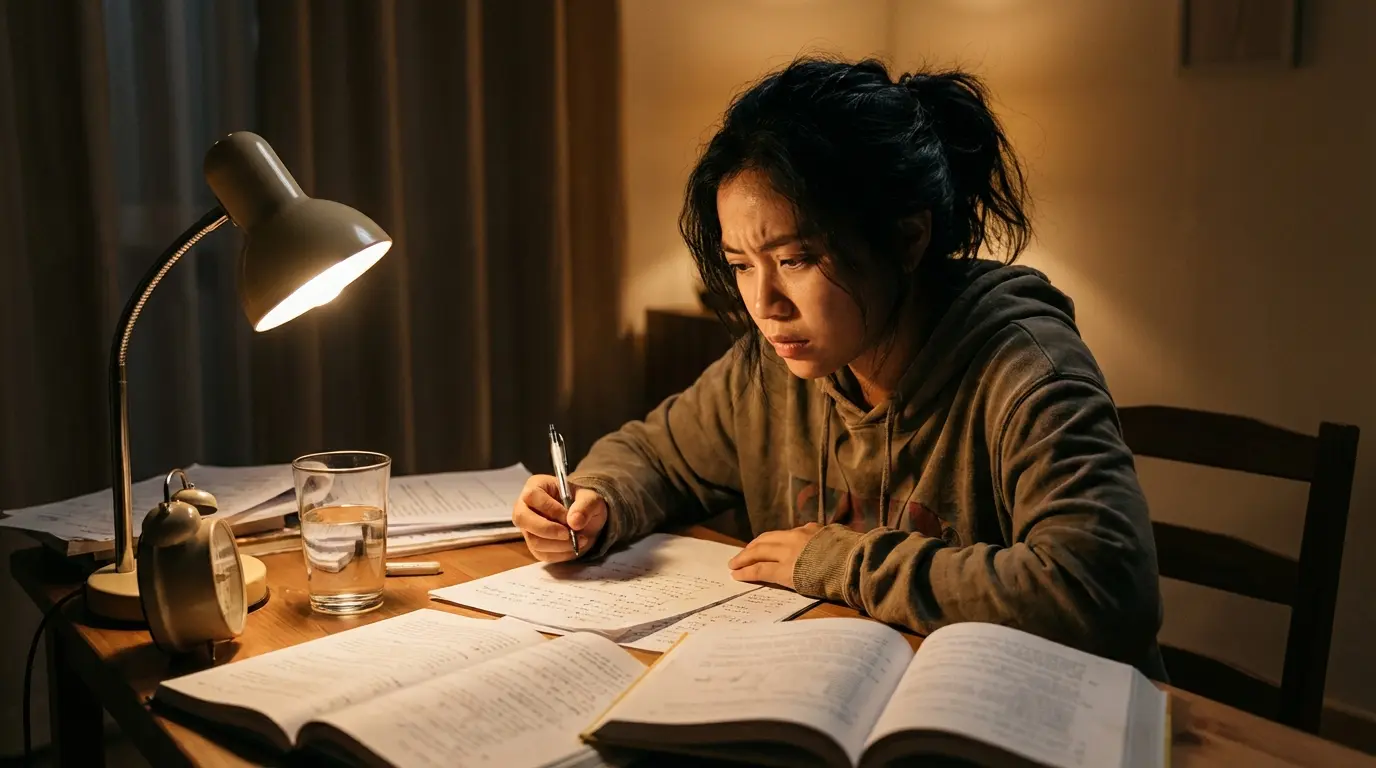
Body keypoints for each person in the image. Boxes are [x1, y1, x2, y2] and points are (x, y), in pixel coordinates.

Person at [512, 56, 1165, 678]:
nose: (765, 305)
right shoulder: (772, 369)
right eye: (741, 266)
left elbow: (1100, 592)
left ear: (907, 238)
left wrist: (836, 560)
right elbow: (656, 454)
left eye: (793, 259)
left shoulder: (1024, 367)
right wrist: (595, 499)